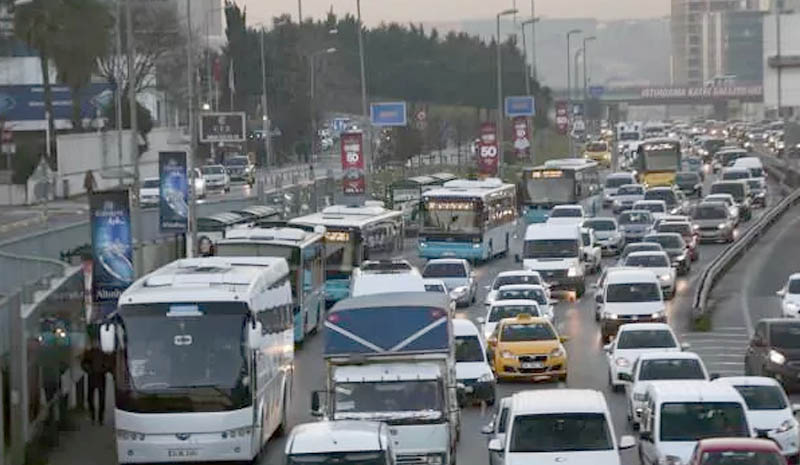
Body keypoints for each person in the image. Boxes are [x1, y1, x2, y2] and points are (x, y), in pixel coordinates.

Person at [81, 327, 112, 425]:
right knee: (91, 398)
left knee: (101, 399)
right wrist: (89, 370)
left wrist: (103, 370)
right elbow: (84, 363)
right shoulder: (89, 353)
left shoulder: (102, 354)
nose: (96, 344)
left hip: (99, 376)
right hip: (94, 376)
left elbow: (108, 364)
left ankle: (99, 418)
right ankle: (94, 416)